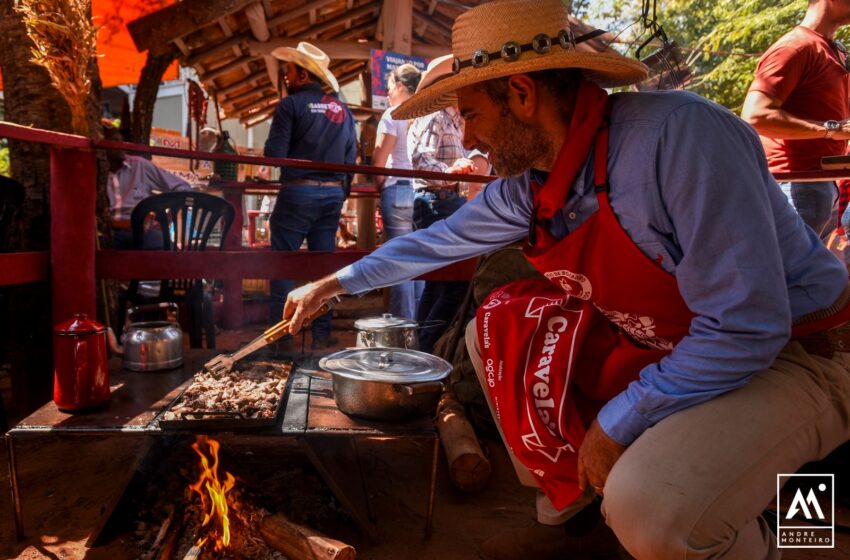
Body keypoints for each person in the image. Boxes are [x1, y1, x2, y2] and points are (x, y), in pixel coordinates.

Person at [282, 1, 850, 558]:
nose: (471, 141)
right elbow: (432, 243)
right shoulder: (530, 185)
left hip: (797, 352)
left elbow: (748, 327)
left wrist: (618, 421)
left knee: (650, 510)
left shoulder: (679, 138)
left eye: (472, 116)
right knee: (498, 328)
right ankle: (594, 509)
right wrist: (332, 284)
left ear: (523, 95)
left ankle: (766, 537)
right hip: (680, 344)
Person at [264, 41, 357, 350]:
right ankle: (321, 335)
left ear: (303, 75)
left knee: (282, 264)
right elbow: (350, 160)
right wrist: (340, 195)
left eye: (289, 72)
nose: (286, 77)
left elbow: (274, 155)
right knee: (323, 267)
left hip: (297, 193)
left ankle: (280, 341)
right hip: (331, 195)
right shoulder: (343, 111)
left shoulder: (289, 106)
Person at [741, 0, 850, 238]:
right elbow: (755, 116)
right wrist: (832, 129)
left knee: (808, 273)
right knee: (792, 273)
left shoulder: (832, 50)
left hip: (822, 185)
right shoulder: (795, 47)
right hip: (797, 184)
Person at [408, 55, 477, 353]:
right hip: (437, 201)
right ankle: (427, 351)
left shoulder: (454, 118)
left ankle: (421, 350)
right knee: (454, 284)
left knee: (438, 283)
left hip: (445, 201)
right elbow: (420, 159)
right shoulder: (435, 116)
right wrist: (451, 173)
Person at [372, 63, 424, 320]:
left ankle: (402, 329)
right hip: (421, 191)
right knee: (419, 261)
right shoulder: (426, 113)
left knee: (399, 263)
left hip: (398, 189)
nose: (388, 93)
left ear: (401, 86)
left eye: (390, 87)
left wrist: (380, 185)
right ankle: (420, 327)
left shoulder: (393, 114)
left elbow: (379, 160)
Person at [103, 124, 192, 249]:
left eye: (120, 140)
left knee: (169, 250)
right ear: (102, 145)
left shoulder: (139, 165)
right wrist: (124, 224)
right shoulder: (95, 171)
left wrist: (165, 218)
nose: (120, 145)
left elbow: (184, 188)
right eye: (114, 141)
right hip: (107, 232)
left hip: (142, 232)